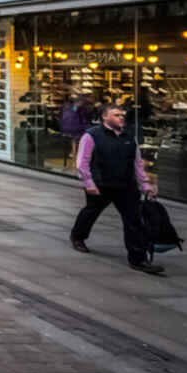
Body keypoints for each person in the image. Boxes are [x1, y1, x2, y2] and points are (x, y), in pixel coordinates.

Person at [70, 103, 163, 274]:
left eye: (122, 115)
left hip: (126, 186)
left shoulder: (129, 137)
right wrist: (89, 184)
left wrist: (145, 184)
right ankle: (78, 236)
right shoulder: (91, 136)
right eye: (116, 115)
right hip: (100, 185)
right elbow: (82, 163)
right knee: (91, 213)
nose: (121, 118)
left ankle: (138, 259)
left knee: (134, 221)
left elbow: (137, 164)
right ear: (105, 117)